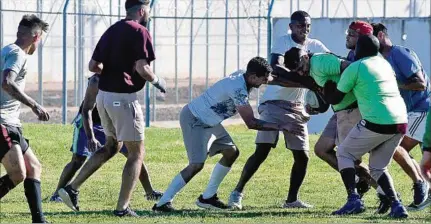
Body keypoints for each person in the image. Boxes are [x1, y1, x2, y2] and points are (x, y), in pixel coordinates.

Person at [152, 56, 303, 212]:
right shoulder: (237, 88)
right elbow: (251, 123)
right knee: (196, 164)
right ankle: (163, 203)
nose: (265, 82)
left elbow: (274, 79)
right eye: (263, 79)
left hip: (210, 121)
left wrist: (304, 85)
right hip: (195, 119)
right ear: (253, 77)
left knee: (231, 152)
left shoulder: (247, 75)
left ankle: (207, 198)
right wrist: (282, 126)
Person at [58, 0, 166, 217]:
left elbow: (93, 66)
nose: (149, 16)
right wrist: (157, 82)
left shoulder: (112, 29)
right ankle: (122, 208)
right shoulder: (140, 31)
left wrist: (110, 72)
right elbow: (142, 68)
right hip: (124, 99)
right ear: (142, 11)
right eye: (149, 12)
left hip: (104, 98)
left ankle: (71, 187)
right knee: (136, 153)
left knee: (112, 146)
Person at [227, 10, 329, 210]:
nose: (304, 30)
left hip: (297, 107)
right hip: (273, 103)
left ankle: (292, 200)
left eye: (307, 26)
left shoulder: (315, 46)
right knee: (262, 150)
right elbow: (275, 68)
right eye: (300, 26)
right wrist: (306, 81)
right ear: (291, 27)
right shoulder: (283, 42)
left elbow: (328, 62)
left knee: (302, 156)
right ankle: (236, 193)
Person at [325, 34, 409, 218]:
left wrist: (326, 89)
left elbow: (336, 99)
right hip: (401, 121)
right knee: (378, 167)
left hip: (378, 121)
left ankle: (353, 200)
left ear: (358, 50)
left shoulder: (356, 67)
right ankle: (397, 206)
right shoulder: (384, 64)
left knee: (344, 153)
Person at [50, 74, 162, 203]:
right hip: (91, 124)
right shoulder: (96, 80)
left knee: (135, 155)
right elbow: (86, 111)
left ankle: (150, 192)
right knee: (77, 160)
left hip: (113, 123)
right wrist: (90, 136)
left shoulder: (123, 75)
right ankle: (57, 193)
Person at [371, 22, 431, 210]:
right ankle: (422, 187)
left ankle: (420, 185)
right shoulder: (381, 58)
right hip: (409, 113)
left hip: (422, 109)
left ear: (380, 35)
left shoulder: (399, 53)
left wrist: (392, 86)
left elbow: (420, 84)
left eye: (371, 38)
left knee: (394, 146)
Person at [0, 14, 50, 223]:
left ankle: (39, 220)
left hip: (12, 123)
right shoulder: (18, 54)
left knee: (34, 167)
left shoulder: (6, 50)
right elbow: (7, 83)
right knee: (18, 173)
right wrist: (35, 105)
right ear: (36, 37)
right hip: (3, 122)